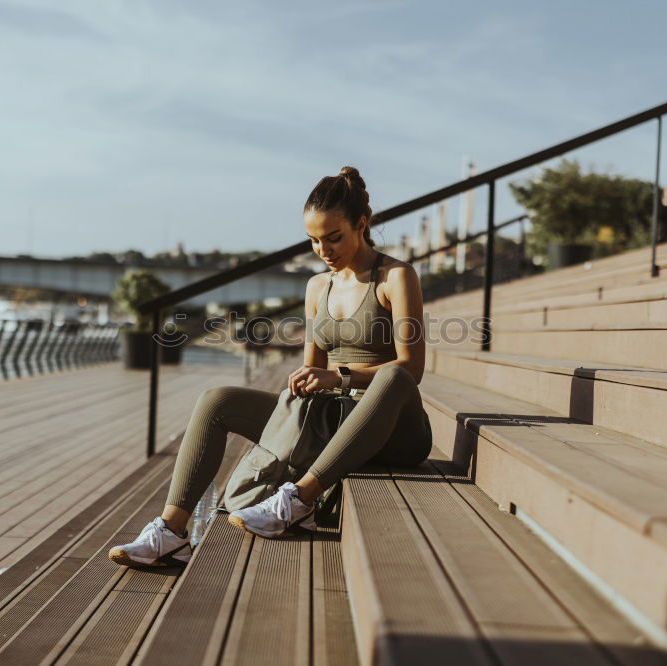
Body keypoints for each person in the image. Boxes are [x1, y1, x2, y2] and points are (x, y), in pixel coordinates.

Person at [109, 166, 434, 567]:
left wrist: (339, 376)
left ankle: (299, 500)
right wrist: (303, 387)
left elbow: (411, 369)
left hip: (397, 429)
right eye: (314, 241)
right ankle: (171, 532)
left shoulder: (395, 277)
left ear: (361, 224)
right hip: (336, 417)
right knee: (217, 400)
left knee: (392, 373)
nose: (324, 250)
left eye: (334, 238)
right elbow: (311, 368)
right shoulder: (318, 287)